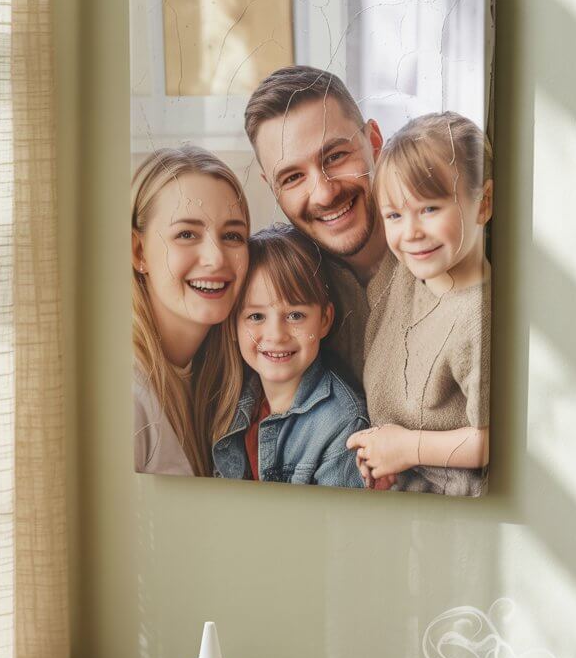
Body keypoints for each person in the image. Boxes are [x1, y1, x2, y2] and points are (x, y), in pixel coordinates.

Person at [346, 113, 492, 496]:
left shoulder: (477, 317)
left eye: (429, 209)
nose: (410, 232)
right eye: (394, 215)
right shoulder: (406, 273)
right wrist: (384, 455)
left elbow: (497, 438)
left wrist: (406, 449)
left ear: (484, 203)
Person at [244, 65, 391, 387]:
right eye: (293, 177)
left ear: (374, 141)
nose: (325, 194)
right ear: (273, 188)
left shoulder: (452, 246)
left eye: (336, 156)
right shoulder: (281, 283)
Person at [212, 227, 369, 487]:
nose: (276, 335)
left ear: (324, 320)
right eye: (256, 316)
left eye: (295, 315)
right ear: (232, 326)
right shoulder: (229, 402)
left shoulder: (343, 424)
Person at [132, 145, 250, 476]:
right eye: (186, 234)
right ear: (138, 251)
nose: (216, 258)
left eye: (232, 235)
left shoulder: (232, 377)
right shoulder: (127, 397)